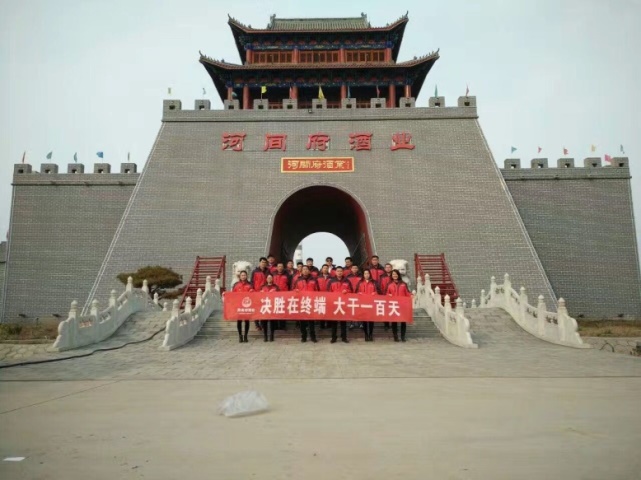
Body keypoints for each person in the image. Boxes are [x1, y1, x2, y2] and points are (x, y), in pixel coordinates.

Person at [327, 266, 352, 343]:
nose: (339, 272)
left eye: (341, 271)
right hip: (334, 304)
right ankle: (333, 337)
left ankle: (344, 337)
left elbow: (351, 291)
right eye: (338, 271)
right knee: (334, 322)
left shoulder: (347, 281)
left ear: (343, 272)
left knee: (343, 322)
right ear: (335, 272)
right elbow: (328, 292)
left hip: (343, 304)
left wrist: (347, 291)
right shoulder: (331, 281)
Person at [293, 266, 318, 343]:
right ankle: (303, 337)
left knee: (311, 322)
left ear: (309, 271)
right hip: (302, 303)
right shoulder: (298, 280)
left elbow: (317, 291)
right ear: (301, 271)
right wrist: (296, 291)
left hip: (311, 302)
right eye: (304, 269)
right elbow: (294, 290)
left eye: (306, 269)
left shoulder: (314, 280)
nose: (305, 271)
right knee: (302, 322)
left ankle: (313, 337)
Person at [387, 269, 411, 342]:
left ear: (398, 275)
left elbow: (407, 293)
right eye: (393, 274)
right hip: (393, 305)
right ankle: (395, 336)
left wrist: (411, 297)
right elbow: (387, 294)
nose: (395, 275)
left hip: (402, 305)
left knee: (403, 321)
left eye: (396, 274)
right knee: (394, 322)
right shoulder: (389, 284)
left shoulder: (403, 284)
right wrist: (388, 295)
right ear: (391, 276)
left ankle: (403, 336)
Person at [355, 269, 378, 341]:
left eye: (368, 273)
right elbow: (356, 292)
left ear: (370, 274)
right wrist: (359, 293)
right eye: (365, 273)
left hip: (372, 303)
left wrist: (375, 293)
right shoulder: (360, 282)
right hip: (363, 303)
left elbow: (378, 291)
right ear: (363, 275)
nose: (366, 275)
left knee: (371, 320)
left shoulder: (374, 282)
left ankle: (370, 334)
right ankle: (366, 334)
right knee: (364, 320)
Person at [231, 270, 253, 343]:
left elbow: (254, 295)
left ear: (247, 276)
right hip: (239, 306)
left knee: (247, 321)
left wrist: (252, 292)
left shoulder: (250, 284)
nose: (243, 276)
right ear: (239, 276)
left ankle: (245, 336)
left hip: (247, 305)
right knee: (239, 321)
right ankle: (240, 336)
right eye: (242, 275)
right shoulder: (236, 285)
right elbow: (232, 295)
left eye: (244, 275)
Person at [250, 257, 270, 331]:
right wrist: (252, 289)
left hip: (265, 293)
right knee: (256, 308)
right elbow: (252, 281)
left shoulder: (268, 271)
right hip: (256, 292)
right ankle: (257, 324)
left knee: (263, 308)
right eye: (262, 262)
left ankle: (262, 324)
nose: (263, 263)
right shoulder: (255, 271)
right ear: (259, 263)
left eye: (265, 262)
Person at [260, 274, 279, 342]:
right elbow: (258, 296)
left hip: (273, 306)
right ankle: (265, 336)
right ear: (266, 279)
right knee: (264, 322)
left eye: (270, 277)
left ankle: (271, 336)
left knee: (272, 322)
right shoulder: (263, 287)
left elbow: (279, 295)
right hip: (265, 306)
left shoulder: (276, 287)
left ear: (272, 279)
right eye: (268, 278)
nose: (269, 279)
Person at [273, 262, 291, 330]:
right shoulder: (273, 274)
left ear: (283, 267)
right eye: (279, 266)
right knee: (275, 310)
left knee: (283, 310)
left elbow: (289, 284)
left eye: (281, 266)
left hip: (284, 295)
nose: (280, 268)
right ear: (277, 267)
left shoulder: (287, 275)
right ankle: (275, 326)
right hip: (275, 295)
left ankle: (282, 325)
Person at [316, 264, 332, 329]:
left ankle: (329, 324)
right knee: (321, 310)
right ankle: (322, 325)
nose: (325, 269)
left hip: (329, 296)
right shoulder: (318, 278)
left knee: (329, 310)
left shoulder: (331, 278)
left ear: (328, 269)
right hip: (320, 296)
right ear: (322, 269)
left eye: (326, 268)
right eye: (324, 268)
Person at [345, 265, 362, 330]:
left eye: (356, 268)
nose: (354, 269)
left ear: (357, 269)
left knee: (359, 309)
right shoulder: (348, 277)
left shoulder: (361, 276)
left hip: (359, 294)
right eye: (353, 268)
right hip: (351, 295)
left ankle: (360, 323)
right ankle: (352, 323)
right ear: (351, 269)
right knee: (352, 309)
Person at [379, 263, 393, 331]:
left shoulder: (394, 275)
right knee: (385, 311)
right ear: (384, 269)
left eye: (389, 267)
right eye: (386, 267)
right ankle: (386, 325)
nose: (388, 268)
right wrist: (381, 294)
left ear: (391, 268)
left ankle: (393, 325)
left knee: (392, 310)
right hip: (384, 295)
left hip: (393, 296)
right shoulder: (382, 276)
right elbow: (380, 286)